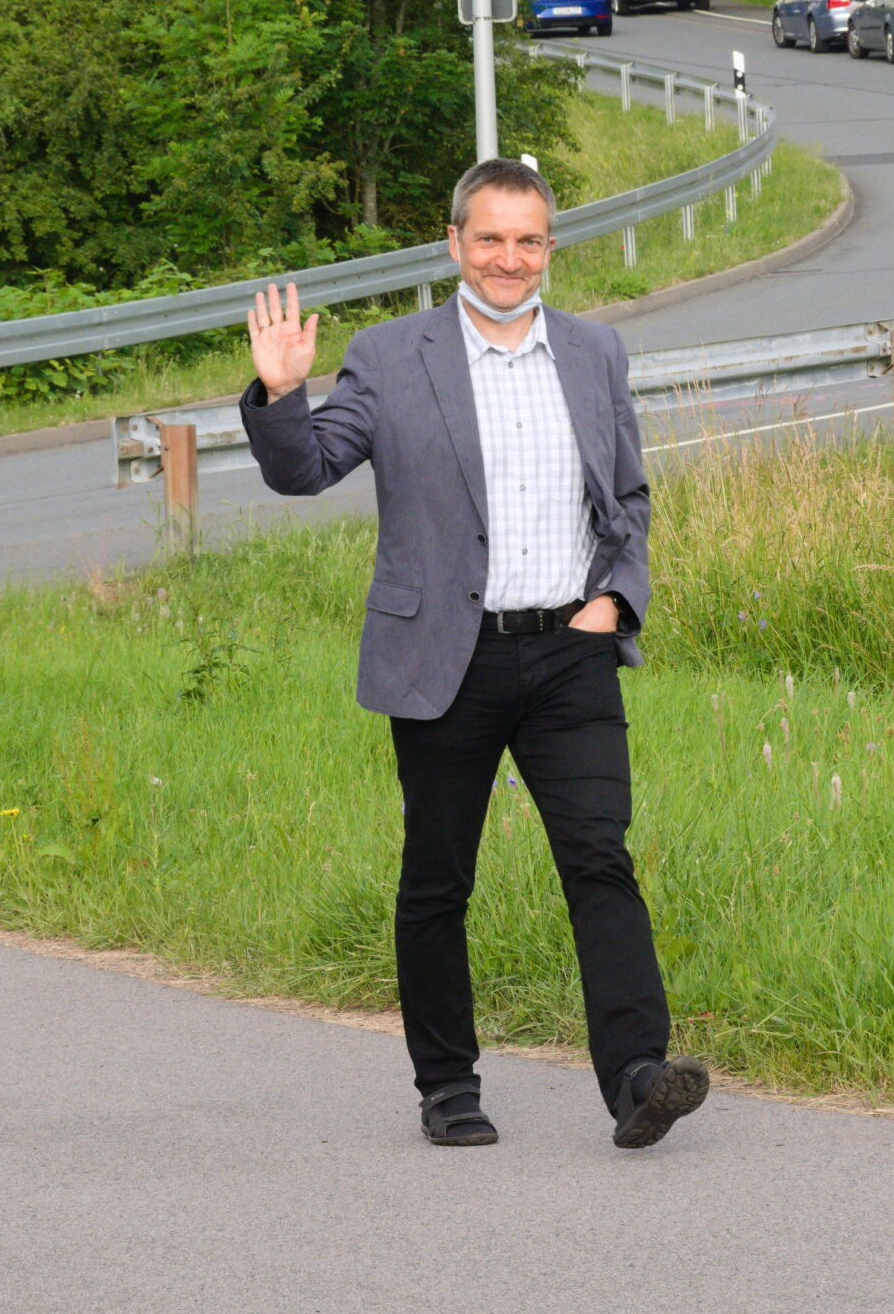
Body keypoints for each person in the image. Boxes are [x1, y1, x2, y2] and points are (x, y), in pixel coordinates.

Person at [240, 156, 708, 1152]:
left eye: (528, 239)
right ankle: (447, 1085)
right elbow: (309, 470)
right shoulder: (392, 355)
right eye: (489, 238)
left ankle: (636, 1076)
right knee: (438, 876)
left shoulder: (593, 352)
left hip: (569, 654)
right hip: (447, 658)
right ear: (455, 244)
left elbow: (626, 499)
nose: (509, 258)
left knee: (598, 857)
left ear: (548, 248)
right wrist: (281, 396)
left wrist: (615, 599)